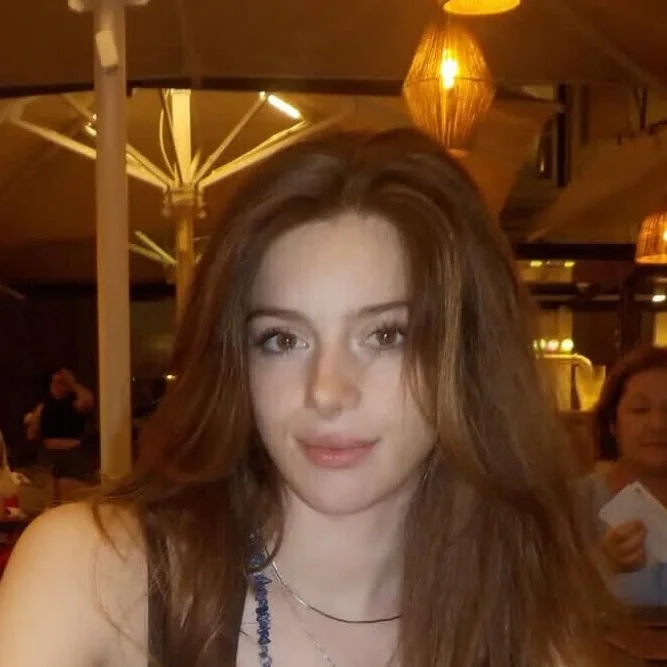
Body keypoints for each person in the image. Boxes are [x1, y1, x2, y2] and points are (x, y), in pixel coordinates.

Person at [0, 129, 609, 667]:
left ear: (470, 355)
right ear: (234, 362)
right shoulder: (96, 577)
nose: (326, 391)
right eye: (283, 340)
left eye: (386, 336)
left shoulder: (532, 618)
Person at [584, 344, 667, 606]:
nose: (658, 425)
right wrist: (600, 565)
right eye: (640, 410)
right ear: (612, 423)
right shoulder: (572, 505)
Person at [23, 368, 94, 503]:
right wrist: (34, 422)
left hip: (71, 454)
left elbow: (88, 401)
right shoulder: (44, 406)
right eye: (53, 382)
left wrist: (72, 383)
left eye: (60, 382)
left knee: (69, 492)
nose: (55, 385)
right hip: (48, 455)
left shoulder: (75, 402)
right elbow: (31, 435)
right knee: (49, 494)